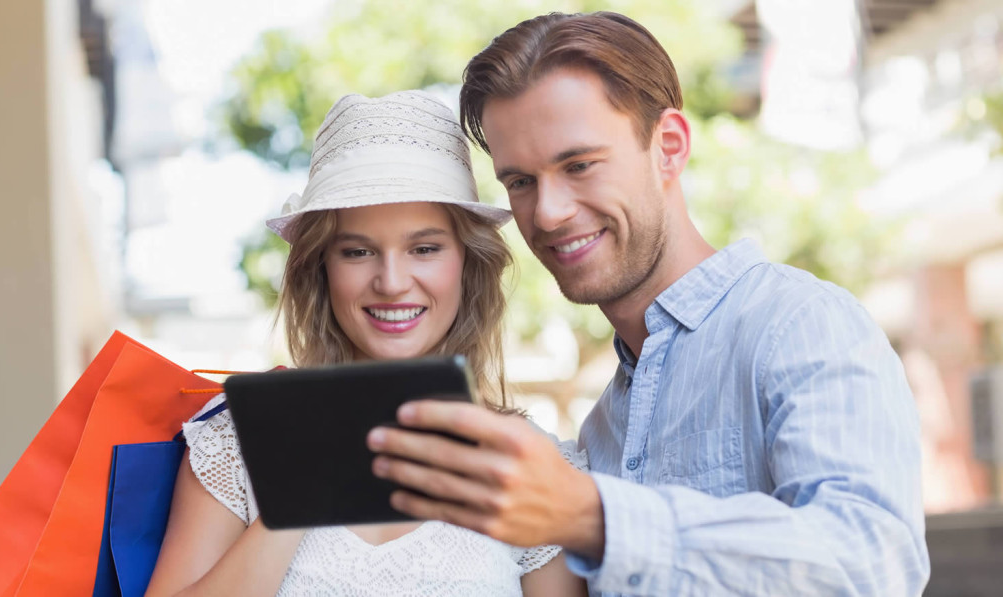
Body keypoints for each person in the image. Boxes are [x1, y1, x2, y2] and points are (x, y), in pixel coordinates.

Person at [366, 12, 931, 596]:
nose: (548, 212)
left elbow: (874, 566)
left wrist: (594, 517)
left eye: (579, 164)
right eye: (520, 182)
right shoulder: (601, 430)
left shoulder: (800, 326)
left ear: (668, 147)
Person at [145, 90, 587, 596]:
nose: (392, 281)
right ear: (322, 268)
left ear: (467, 263)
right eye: (357, 251)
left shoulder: (530, 462)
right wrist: (294, 492)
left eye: (424, 248)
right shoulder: (238, 442)